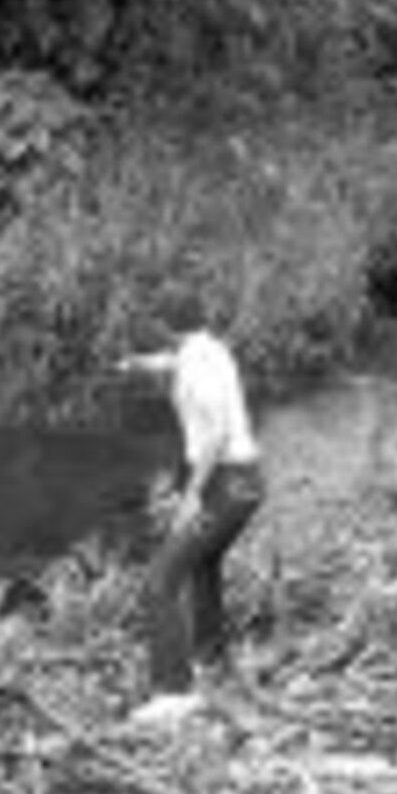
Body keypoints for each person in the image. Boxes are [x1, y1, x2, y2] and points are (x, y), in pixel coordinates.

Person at [117, 290, 264, 726]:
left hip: (227, 484)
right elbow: (175, 361)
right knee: (203, 567)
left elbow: (217, 433)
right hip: (246, 481)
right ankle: (211, 658)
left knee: (160, 579)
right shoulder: (207, 348)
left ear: (166, 323)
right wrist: (139, 366)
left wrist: (191, 496)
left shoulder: (198, 364)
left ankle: (174, 691)